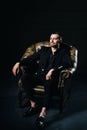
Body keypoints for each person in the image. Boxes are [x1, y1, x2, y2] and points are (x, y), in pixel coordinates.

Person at [12, 32, 72, 128]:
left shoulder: (64, 51)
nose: (51, 41)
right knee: (25, 77)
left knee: (49, 84)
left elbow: (67, 63)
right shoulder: (44, 50)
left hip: (51, 78)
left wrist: (53, 70)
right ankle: (33, 103)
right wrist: (19, 63)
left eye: (54, 39)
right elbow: (31, 58)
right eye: (50, 38)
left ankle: (42, 114)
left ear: (60, 40)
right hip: (39, 76)